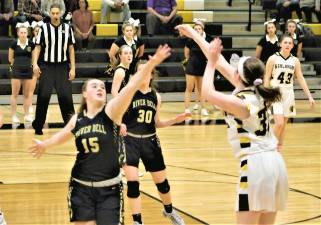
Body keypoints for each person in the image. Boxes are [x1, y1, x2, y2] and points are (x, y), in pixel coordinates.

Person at [27, 44, 172, 225]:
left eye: (103, 87)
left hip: (109, 187)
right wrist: (45, 145)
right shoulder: (78, 119)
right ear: (84, 94)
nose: (100, 88)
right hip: (81, 186)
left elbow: (131, 87)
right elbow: (62, 135)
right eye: (95, 86)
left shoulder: (111, 112)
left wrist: (151, 65)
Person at [176, 24, 288, 225]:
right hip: (276, 163)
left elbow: (208, 93)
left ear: (238, 76)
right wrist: (194, 35)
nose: (231, 70)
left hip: (256, 166)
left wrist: (209, 64)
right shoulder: (259, 91)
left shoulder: (242, 102)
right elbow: (219, 60)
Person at [121, 60, 188, 225]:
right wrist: (119, 123)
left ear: (151, 75)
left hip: (150, 142)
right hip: (129, 141)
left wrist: (175, 119)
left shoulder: (156, 97)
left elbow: (157, 123)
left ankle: (169, 210)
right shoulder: (128, 92)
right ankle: (137, 221)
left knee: (162, 184)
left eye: (147, 70)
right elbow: (114, 114)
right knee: (133, 183)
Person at [264, 34, 315, 151]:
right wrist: (266, 94)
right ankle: (268, 144)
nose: (287, 45)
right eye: (285, 42)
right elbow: (266, 77)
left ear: (293, 46)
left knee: (284, 124)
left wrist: (309, 96)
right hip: (276, 92)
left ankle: (279, 147)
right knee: (279, 123)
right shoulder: (272, 58)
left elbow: (301, 78)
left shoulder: (295, 61)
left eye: (290, 43)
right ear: (280, 44)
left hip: (289, 93)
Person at [32, 3, 76, 135]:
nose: (55, 16)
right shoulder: (43, 28)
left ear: (61, 13)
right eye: (53, 13)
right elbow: (37, 47)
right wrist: (34, 64)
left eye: (57, 13)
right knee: (43, 96)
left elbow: (71, 49)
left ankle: (71, 126)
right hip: (47, 66)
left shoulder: (67, 28)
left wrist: (73, 68)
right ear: (50, 14)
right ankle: (38, 126)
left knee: (66, 97)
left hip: (62, 66)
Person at [8, 22, 36, 129]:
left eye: (25, 32)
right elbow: (10, 59)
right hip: (16, 71)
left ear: (27, 33)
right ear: (18, 33)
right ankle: (14, 116)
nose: (23, 34)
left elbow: (34, 59)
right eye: (21, 32)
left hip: (28, 71)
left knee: (27, 95)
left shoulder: (31, 44)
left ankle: (27, 115)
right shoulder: (14, 44)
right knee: (14, 94)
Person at [183, 19, 211, 118]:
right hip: (191, 66)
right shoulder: (190, 40)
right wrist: (188, 61)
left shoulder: (207, 39)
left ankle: (203, 108)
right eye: (195, 29)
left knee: (201, 89)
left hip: (202, 66)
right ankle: (186, 109)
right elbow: (186, 53)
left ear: (203, 30)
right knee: (189, 88)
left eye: (199, 28)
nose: (197, 30)